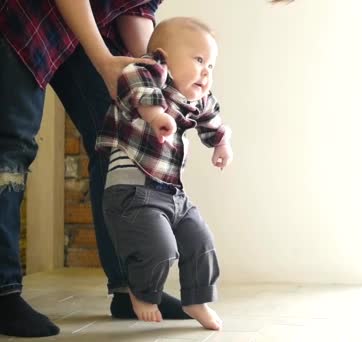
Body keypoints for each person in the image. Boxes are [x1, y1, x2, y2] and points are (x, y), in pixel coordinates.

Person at [0, 0, 189, 338]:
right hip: (25, 13)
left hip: (75, 26)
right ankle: (2, 291)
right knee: (10, 146)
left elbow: (136, 10)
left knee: (119, 136)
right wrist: (102, 60)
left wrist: (159, 82)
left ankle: (130, 288)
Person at [96, 17, 232, 330]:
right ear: (163, 58)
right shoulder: (148, 73)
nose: (205, 72)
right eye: (198, 60)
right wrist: (155, 113)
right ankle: (140, 291)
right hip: (131, 192)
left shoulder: (196, 99)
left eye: (210, 65)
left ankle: (196, 299)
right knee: (160, 249)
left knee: (201, 242)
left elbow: (213, 121)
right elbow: (134, 79)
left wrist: (222, 145)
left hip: (172, 194)